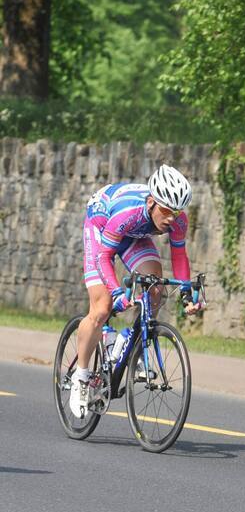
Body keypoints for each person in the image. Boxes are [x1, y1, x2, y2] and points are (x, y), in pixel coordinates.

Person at [72, 164, 203, 418]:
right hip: (102, 227)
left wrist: (187, 293)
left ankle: (130, 340)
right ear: (152, 202)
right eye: (166, 211)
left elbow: (179, 256)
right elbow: (103, 257)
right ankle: (81, 377)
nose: (170, 219)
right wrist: (116, 292)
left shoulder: (176, 221)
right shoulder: (128, 212)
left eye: (176, 213)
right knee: (102, 308)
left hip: (134, 234)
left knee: (155, 289)